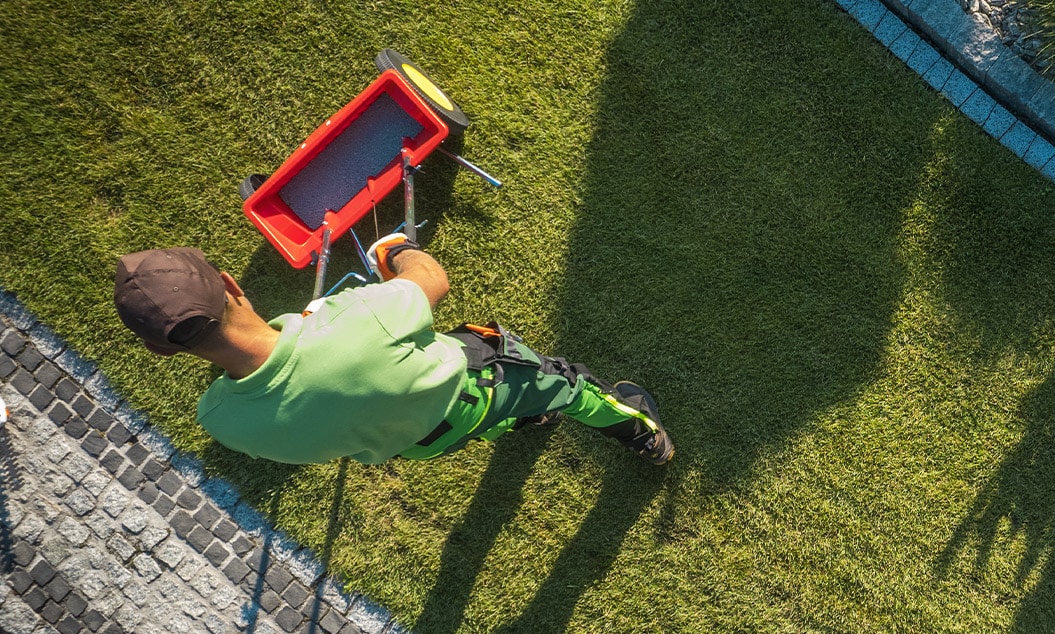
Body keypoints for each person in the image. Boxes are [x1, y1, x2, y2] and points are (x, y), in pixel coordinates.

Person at [111, 239, 672, 467]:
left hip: (420, 445)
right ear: (232, 286)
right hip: (473, 393)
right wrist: (398, 251)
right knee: (566, 381)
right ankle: (640, 433)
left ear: (161, 351)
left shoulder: (219, 420)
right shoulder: (354, 317)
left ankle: (527, 419)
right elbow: (432, 278)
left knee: (494, 414)